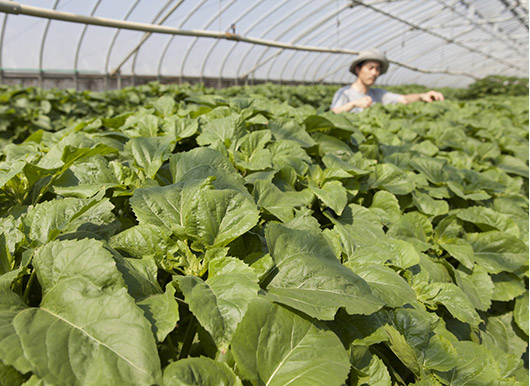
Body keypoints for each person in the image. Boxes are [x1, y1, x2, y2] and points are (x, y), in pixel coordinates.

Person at [330, 48, 444, 113]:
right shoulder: (344, 93)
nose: (374, 73)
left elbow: (404, 99)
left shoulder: (379, 94)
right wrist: (353, 104)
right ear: (358, 69)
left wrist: (421, 96)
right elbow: (331, 114)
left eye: (377, 69)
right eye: (370, 68)